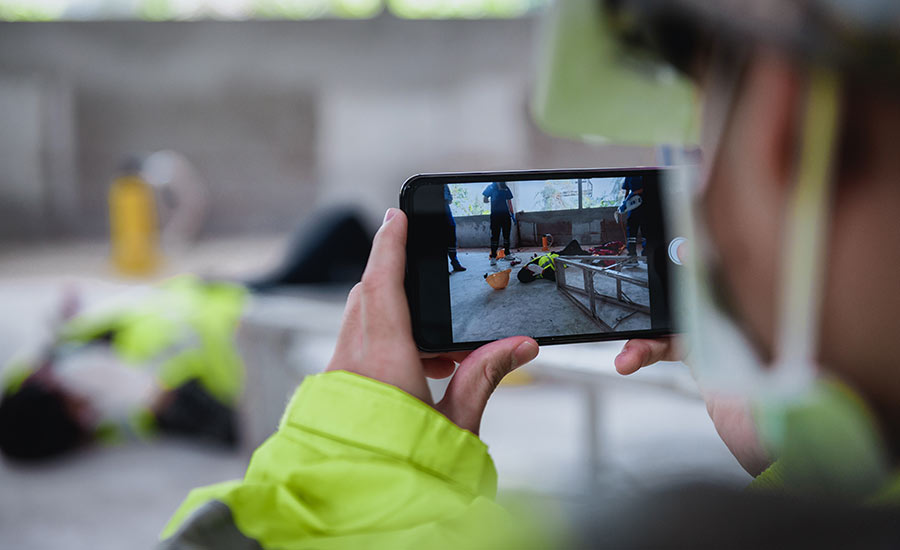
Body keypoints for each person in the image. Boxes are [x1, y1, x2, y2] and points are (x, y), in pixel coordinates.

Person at [159, 0, 900, 547]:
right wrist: (805, 475)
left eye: (703, 117)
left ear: (783, 123)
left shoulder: (664, 528)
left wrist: (358, 451)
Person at [0, 276, 246, 459]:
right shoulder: (129, 409)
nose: (82, 398)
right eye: (77, 408)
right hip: (254, 328)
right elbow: (242, 430)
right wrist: (156, 396)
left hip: (210, 293)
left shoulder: (66, 347)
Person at [482, 182, 516, 266]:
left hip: (506, 215)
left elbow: (509, 202)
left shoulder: (505, 187)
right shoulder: (490, 187)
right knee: (495, 236)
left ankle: (507, 254)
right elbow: (484, 199)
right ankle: (493, 257)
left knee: (506, 235)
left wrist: (512, 214)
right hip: (495, 215)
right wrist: (492, 199)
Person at [444, 185, 466, 274]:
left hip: (446, 211)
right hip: (436, 211)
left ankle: (455, 263)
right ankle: (443, 266)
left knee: (451, 237)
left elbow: (449, 199)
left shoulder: (444, 185)